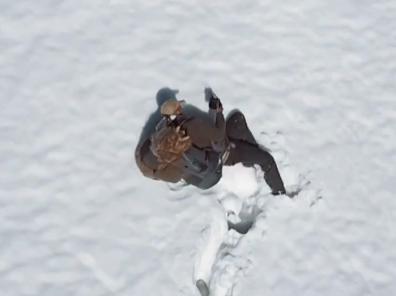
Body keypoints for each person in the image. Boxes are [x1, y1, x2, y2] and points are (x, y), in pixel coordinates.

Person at [135, 87, 286, 195]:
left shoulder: (165, 142)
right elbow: (219, 135)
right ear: (178, 112)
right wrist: (218, 111)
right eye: (178, 106)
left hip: (201, 174)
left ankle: (251, 153)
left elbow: (171, 177)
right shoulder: (193, 126)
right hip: (224, 154)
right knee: (240, 124)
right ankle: (279, 194)